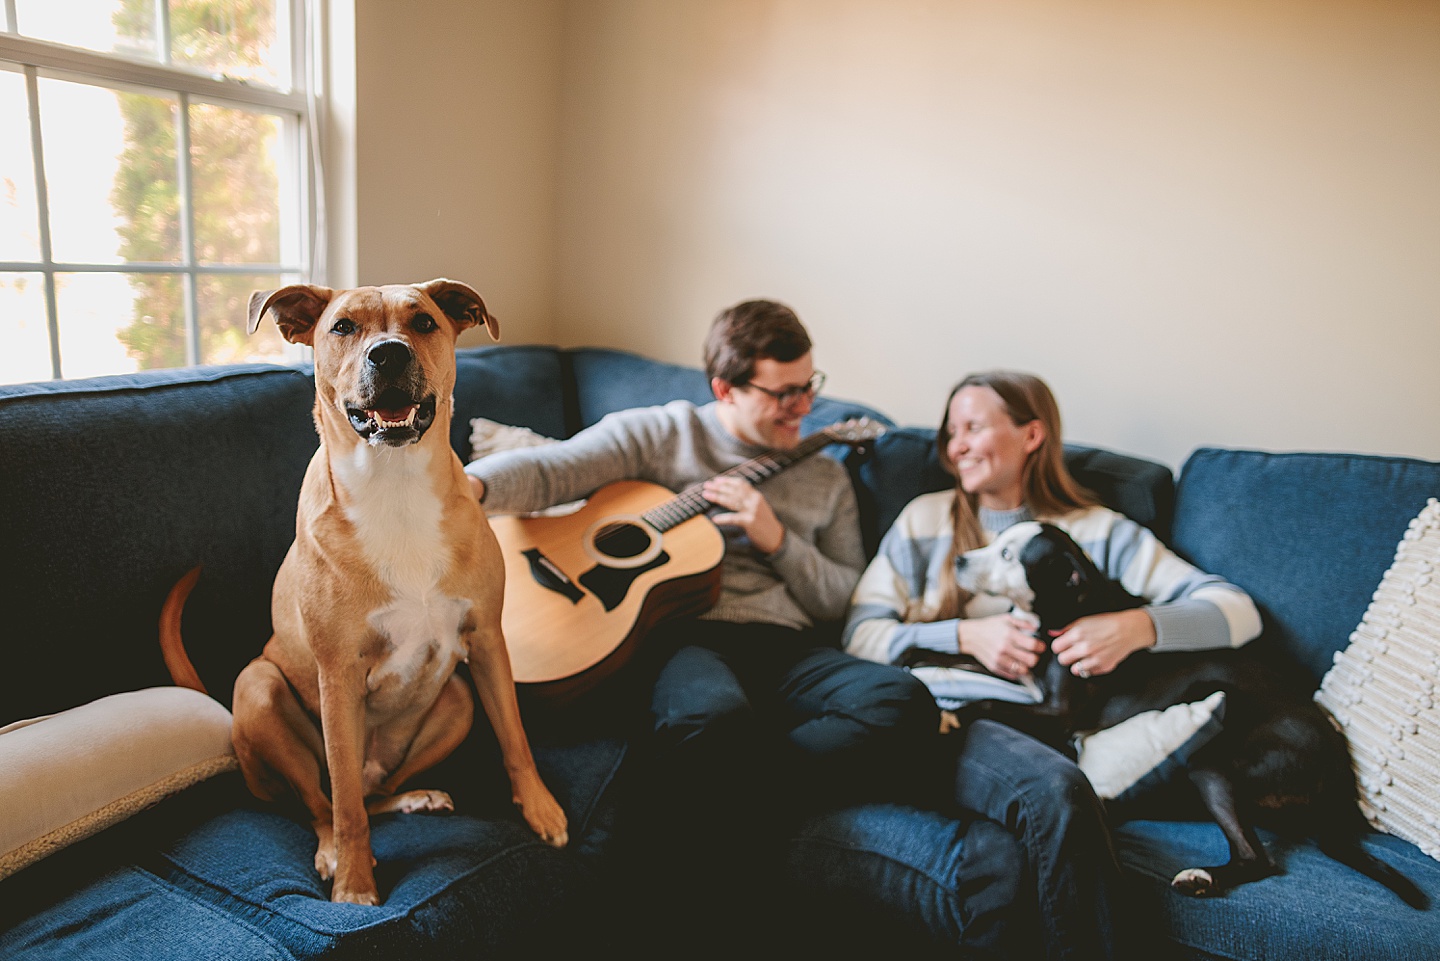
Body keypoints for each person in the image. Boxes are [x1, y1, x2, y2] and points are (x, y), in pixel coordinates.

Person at [465, 301, 960, 947]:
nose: (803, 407)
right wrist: (467, 490)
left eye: (809, 386)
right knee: (710, 718)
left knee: (904, 702)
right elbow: (551, 472)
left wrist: (776, 536)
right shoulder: (661, 433)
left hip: (786, 642)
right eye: (783, 393)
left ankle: (726, 794)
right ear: (726, 387)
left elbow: (845, 596)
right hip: (687, 632)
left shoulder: (826, 475)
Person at [843, 369, 1263, 961]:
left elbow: (1238, 613)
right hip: (927, 716)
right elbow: (859, 637)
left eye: (973, 427)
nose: (955, 445)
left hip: (1017, 733)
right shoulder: (924, 522)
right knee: (1051, 797)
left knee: (1013, 851)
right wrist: (963, 632)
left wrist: (1140, 627)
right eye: (949, 432)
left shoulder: (1094, 534)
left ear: (1032, 434)